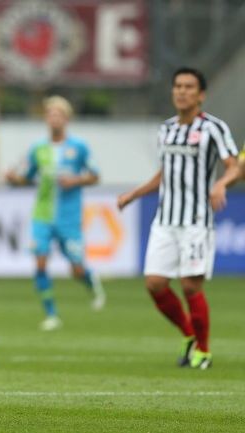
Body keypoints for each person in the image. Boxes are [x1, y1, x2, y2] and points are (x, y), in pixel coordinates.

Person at [117, 67, 240, 370]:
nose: (182, 91)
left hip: (196, 220)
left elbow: (234, 165)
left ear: (201, 94)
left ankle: (204, 351)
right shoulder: (166, 129)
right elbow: (165, 173)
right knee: (155, 284)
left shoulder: (214, 127)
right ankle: (189, 335)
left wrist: (222, 183)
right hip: (166, 219)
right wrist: (134, 194)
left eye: (189, 86)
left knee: (189, 286)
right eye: (178, 86)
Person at [5, 96, 106, 331]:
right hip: (42, 215)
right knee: (40, 262)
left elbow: (95, 175)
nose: (54, 118)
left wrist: (77, 179)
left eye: (58, 114)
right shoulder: (38, 148)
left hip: (69, 217)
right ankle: (51, 314)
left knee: (76, 268)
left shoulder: (78, 147)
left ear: (66, 119)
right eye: (50, 114)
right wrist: (13, 178)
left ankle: (90, 280)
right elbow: (26, 177)